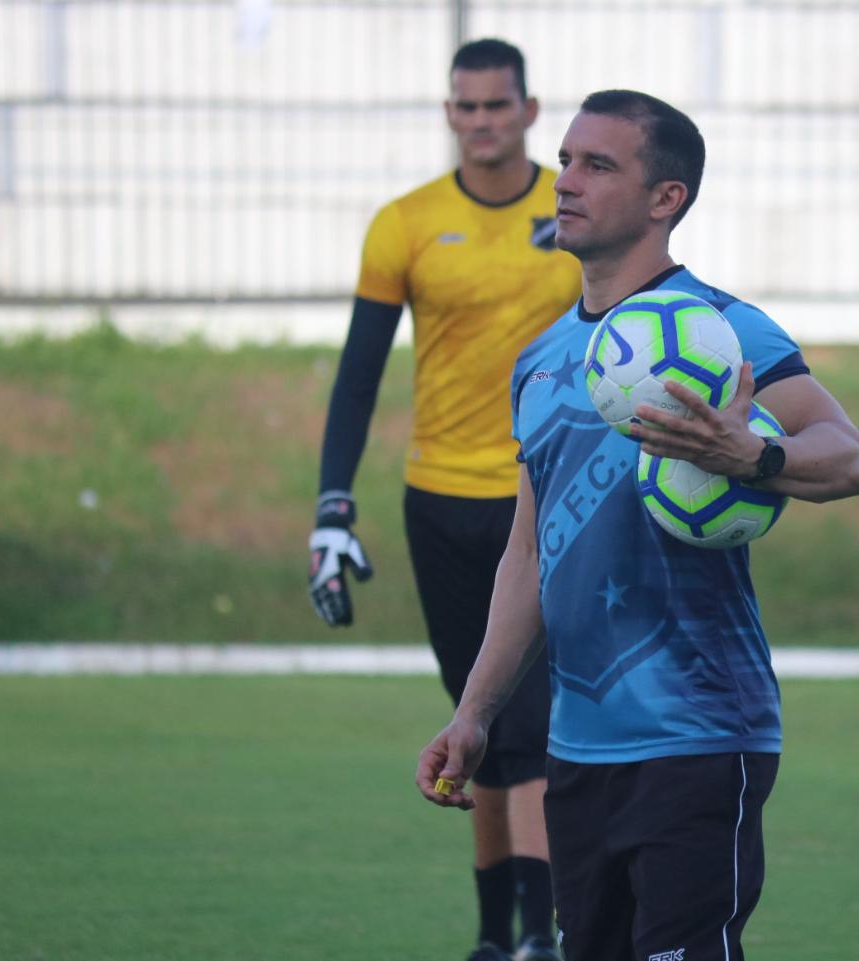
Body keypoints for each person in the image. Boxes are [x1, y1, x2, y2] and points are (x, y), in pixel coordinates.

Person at [417, 90, 859, 961]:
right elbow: (529, 551)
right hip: (578, 745)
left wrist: (755, 456)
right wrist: (475, 711)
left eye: (598, 165)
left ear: (667, 198)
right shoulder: (542, 359)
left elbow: (853, 459)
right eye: (566, 160)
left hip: (701, 731)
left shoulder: (721, 329)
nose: (565, 182)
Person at [308, 39, 580, 961]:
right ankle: (493, 937)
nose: (480, 122)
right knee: (480, 720)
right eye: (464, 107)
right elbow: (355, 378)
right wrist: (331, 504)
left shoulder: (575, 211)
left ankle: (543, 935)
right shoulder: (406, 222)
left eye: (496, 106)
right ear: (450, 112)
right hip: (439, 501)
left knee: (538, 722)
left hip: (547, 498)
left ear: (530, 110)